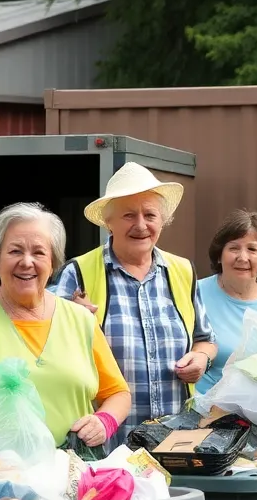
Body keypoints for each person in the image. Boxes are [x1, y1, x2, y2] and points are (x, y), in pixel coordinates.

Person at [0, 202, 132, 485]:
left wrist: (105, 421)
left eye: (38, 252)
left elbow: (119, 394)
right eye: (15, 251)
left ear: (52, 263)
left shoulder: (82, 321)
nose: (27, 262)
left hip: (70, 485)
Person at [51, 163, 217, 443]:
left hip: (175, 442)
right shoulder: (78, 273)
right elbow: (46, 349)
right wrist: (72, 326)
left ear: (162, 221)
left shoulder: (182, 271)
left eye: (150, 215)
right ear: (109, 222)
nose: (141, 225)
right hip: (107, 446)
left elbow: (205, 339)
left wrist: (201, 358)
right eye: (129, 215)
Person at [195, 209, 257, 395]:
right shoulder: (195, 294)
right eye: (234, 248)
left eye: (252, 249)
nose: (243, 257)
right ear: (219, 254)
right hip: (203, 411)